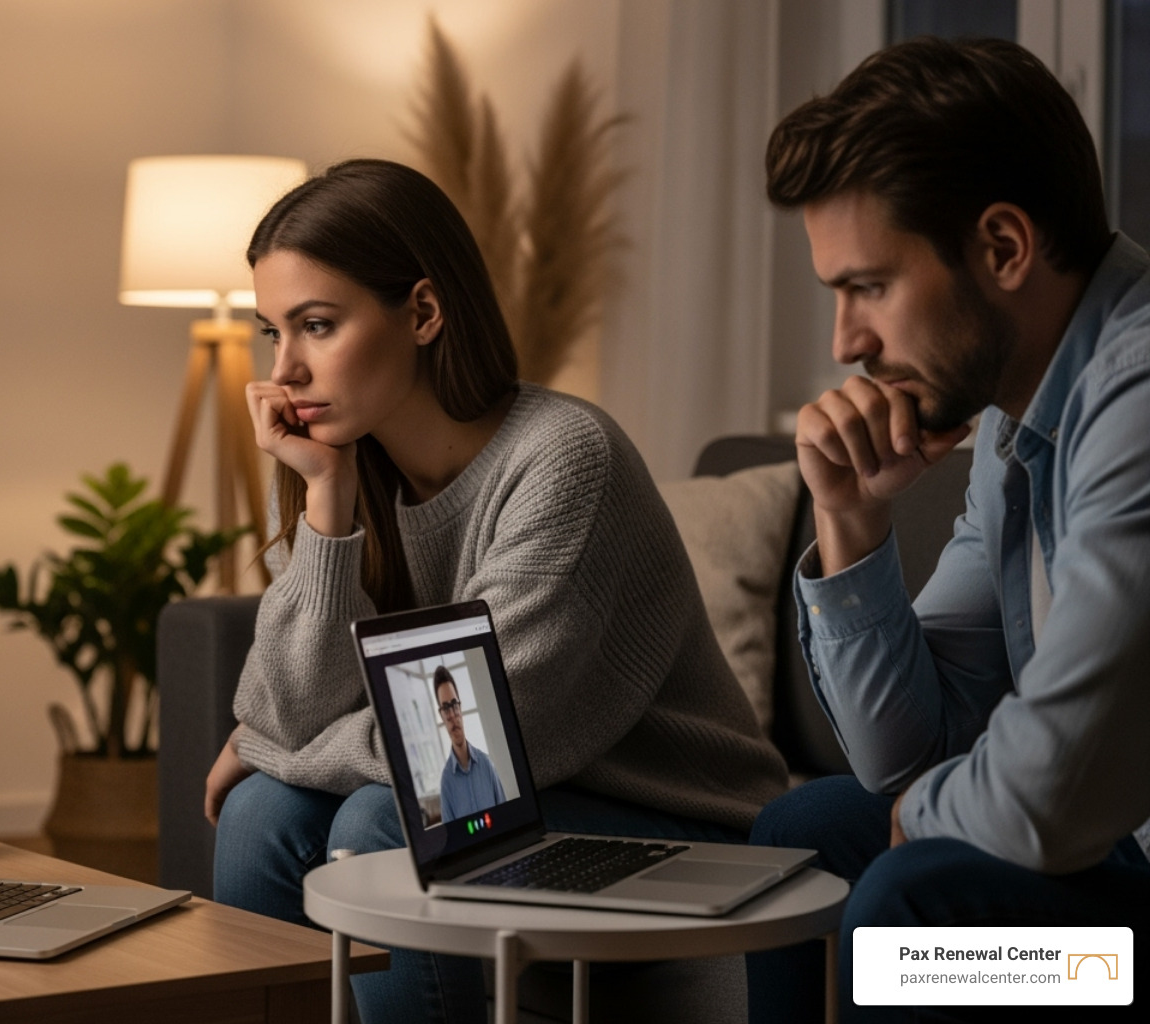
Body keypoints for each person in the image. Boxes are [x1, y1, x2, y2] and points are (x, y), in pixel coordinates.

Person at [203, 158, 787, 1023]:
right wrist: (325, 508)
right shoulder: (338, 464)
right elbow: (289, 708)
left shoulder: (564, 459)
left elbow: (465, 756)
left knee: (381, 823)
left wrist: (262, 744)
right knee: (258, 815)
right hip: (515, 805)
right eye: (272, 333)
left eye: (317, 326)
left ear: (425, 313)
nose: (283, 371)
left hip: (677, 819)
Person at [746, 36, 1150, 1022]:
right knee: (803, 833)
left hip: (1124, 959)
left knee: (909, 910)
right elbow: (909, 753)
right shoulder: (1021, 415)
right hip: (1117, 893)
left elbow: (1050, 790)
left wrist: (912, 821)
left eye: (868, 287)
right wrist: (851, 517)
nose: (845, 343)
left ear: (1004, 247)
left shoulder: (1138, 400)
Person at [432, 666, 505, 824]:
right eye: (445, 708)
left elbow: (506, 819)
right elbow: (452, 840)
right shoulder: (446, 782)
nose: (452, 715)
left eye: (453, 704)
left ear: (460, 707)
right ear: (441, 716)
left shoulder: (487, 765)